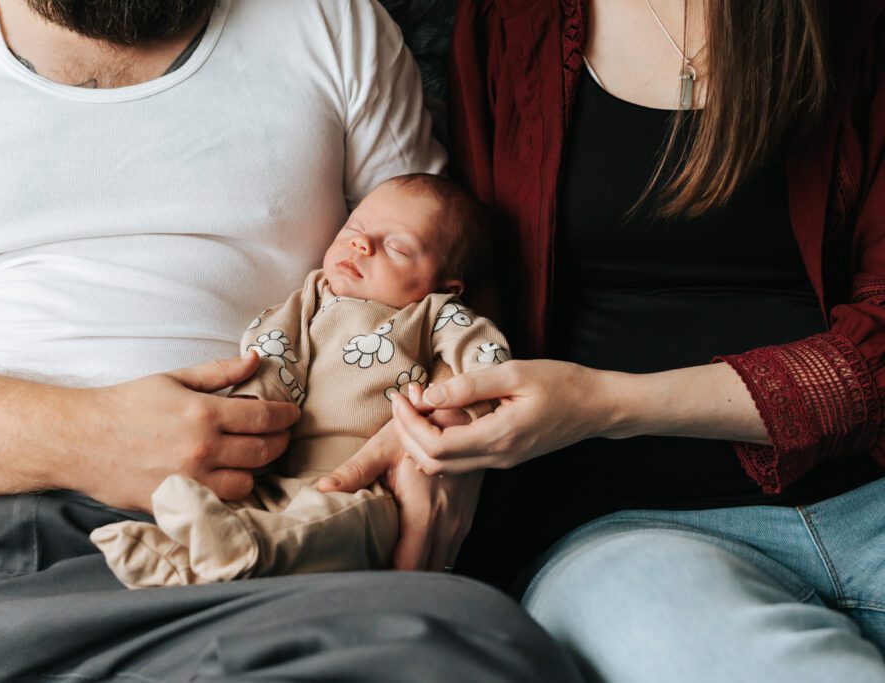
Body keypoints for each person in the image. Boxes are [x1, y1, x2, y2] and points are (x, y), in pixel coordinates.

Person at [0, 0, 581, 680]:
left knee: (472, 644)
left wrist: (445, 433)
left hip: (214, 556)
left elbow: (443, 269)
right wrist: (84, 434)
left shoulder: (331, 26)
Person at [320, 0, 885, 681]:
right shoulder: (508, 21)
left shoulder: (852, 23)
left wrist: (603, 400)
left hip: (868, 490)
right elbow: (472, 274)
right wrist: (438, 413)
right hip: (627, 532)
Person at [91, 173, 511, 588]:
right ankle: (180, 560)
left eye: (397, 247)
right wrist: (250, 417)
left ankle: (247, 550)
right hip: (276, 471)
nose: (361, 244)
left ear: (446, 287)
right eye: (354, 229)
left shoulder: (433, 315)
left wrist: (454, 420)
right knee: (240, 508)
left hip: (369, 482)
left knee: (344, 524)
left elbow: (487, 364)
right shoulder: (312, 297)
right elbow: (271, 356)